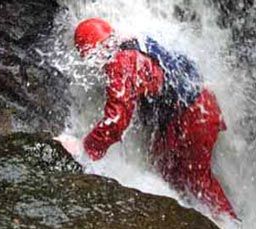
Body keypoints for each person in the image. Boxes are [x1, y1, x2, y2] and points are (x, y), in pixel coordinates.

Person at [73, 18, 237, 219]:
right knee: (163, 171)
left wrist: (86, 149)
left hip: (195, 116)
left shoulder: (121, 63)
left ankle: (231, 223)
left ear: (93, 52)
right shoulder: (131, 39)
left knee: (197, 180)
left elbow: (116, 120)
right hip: (193, 108)